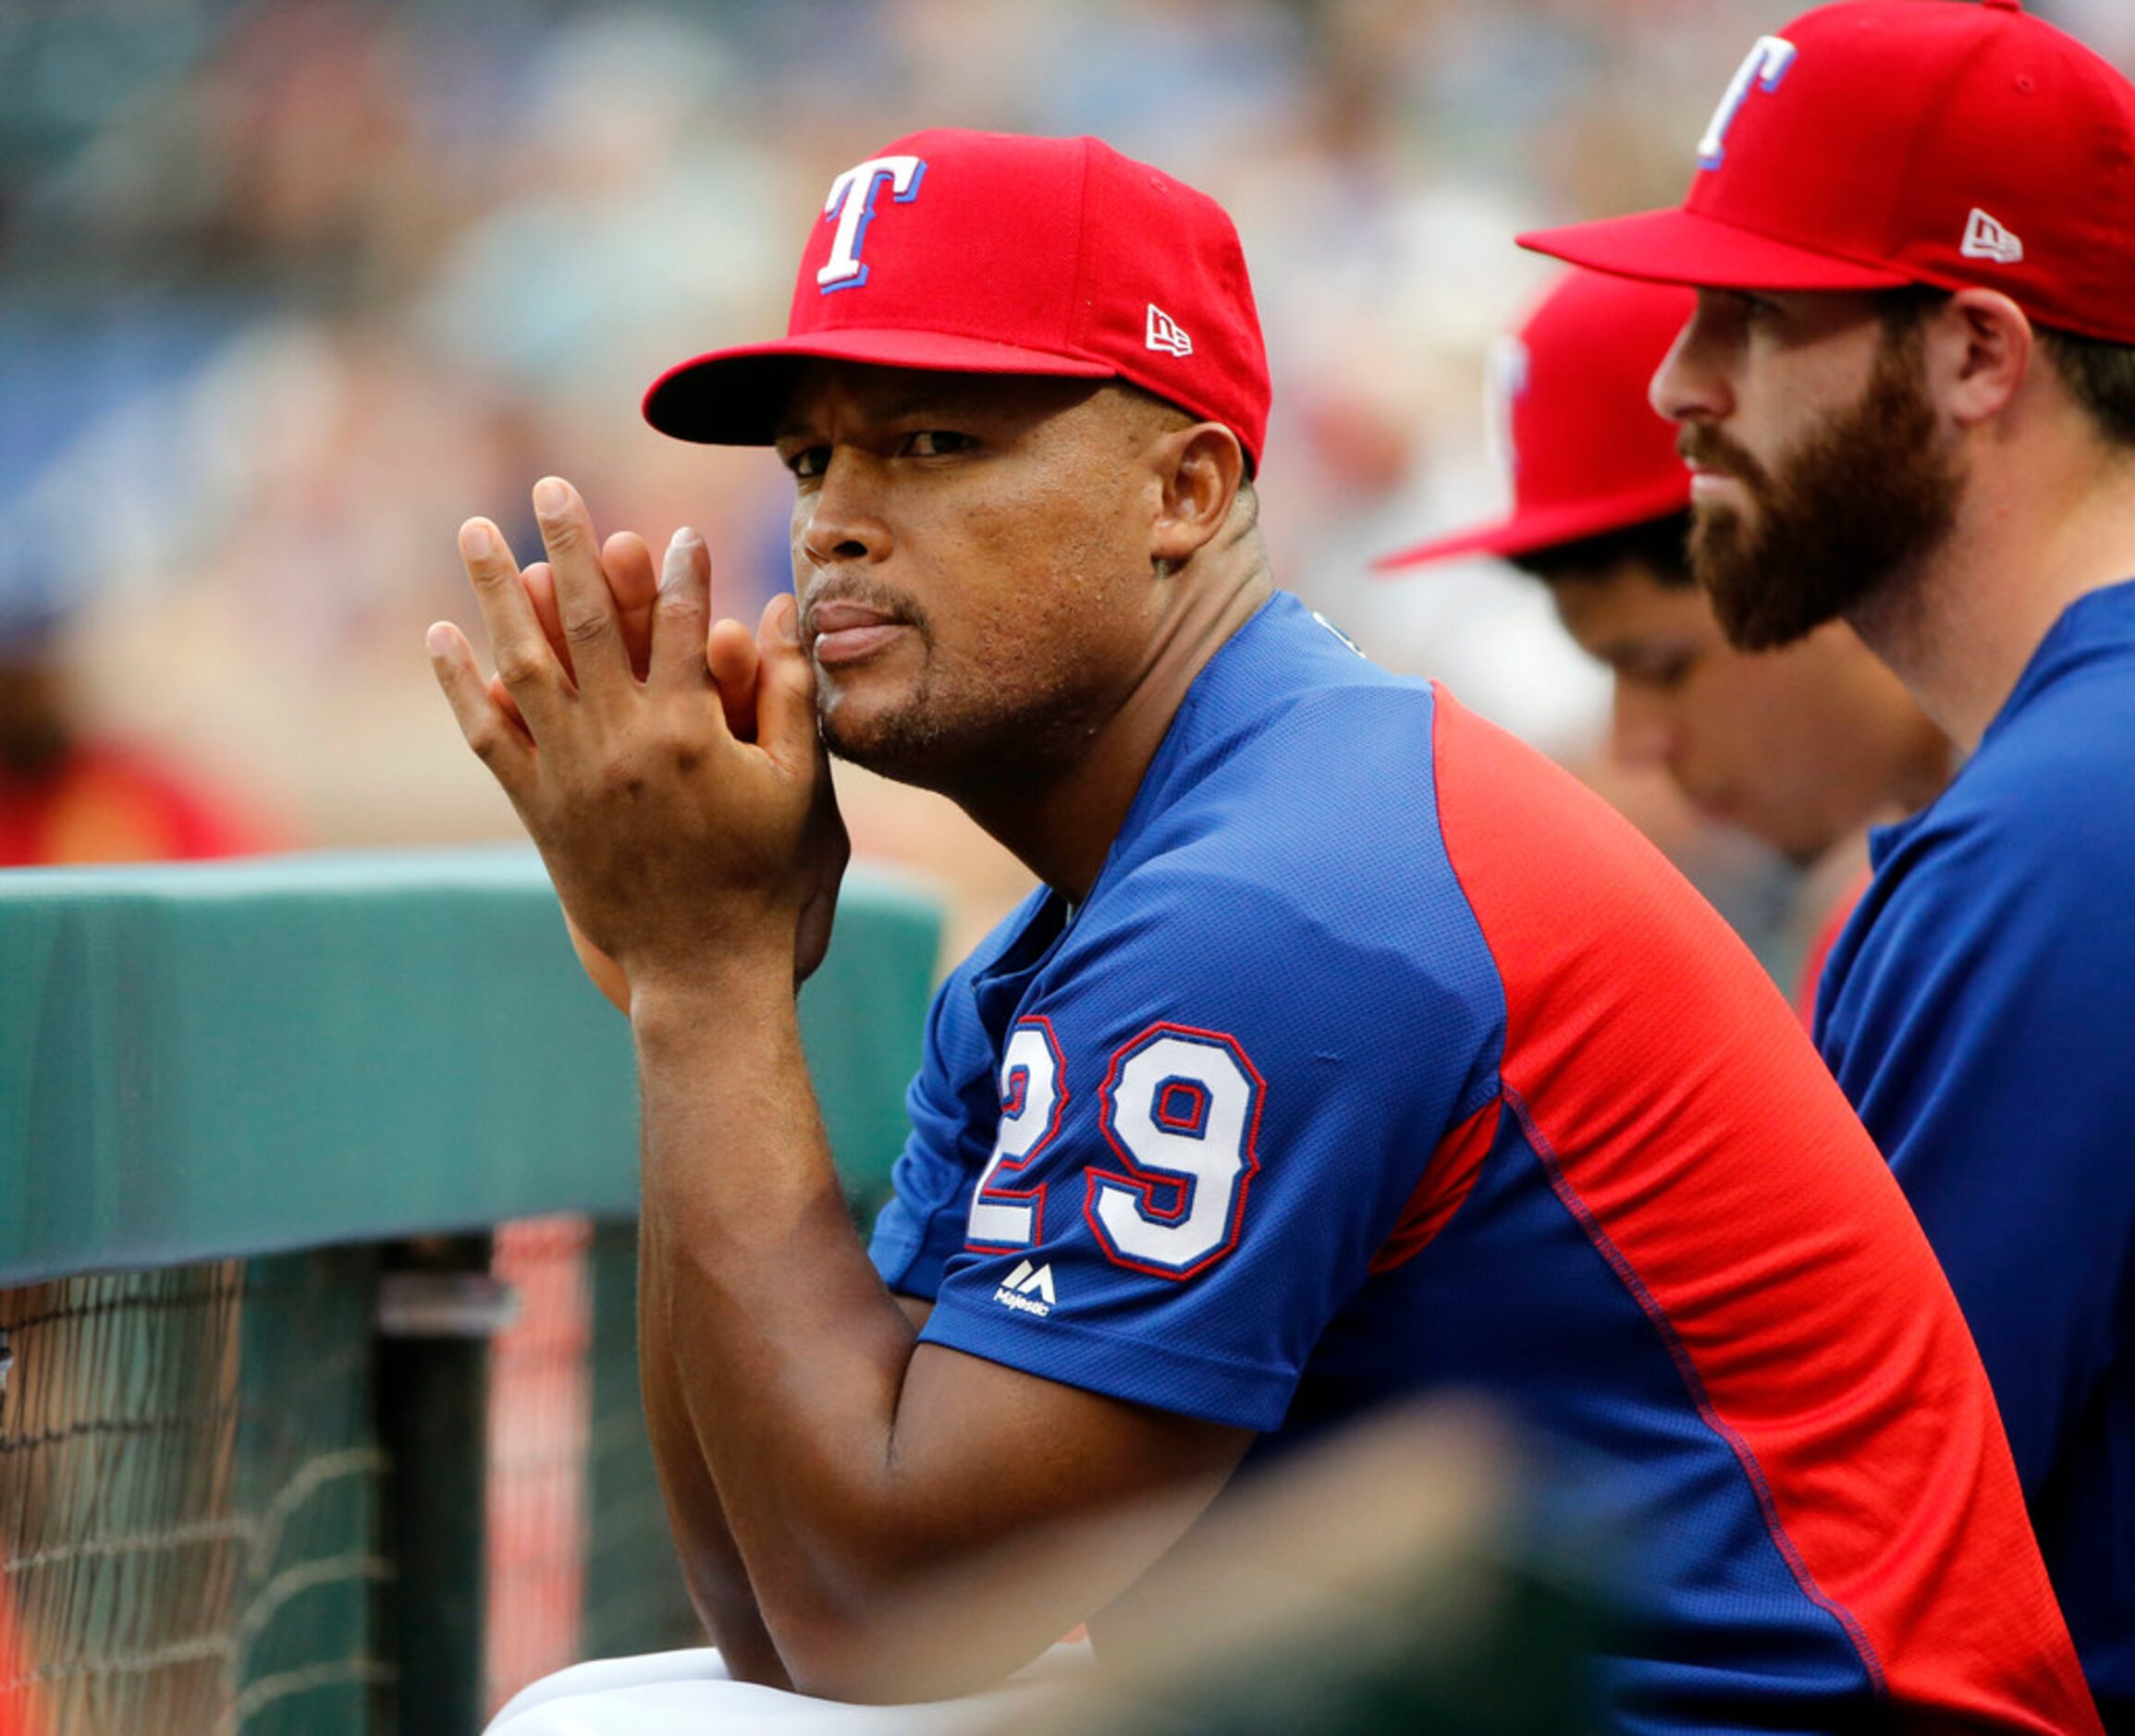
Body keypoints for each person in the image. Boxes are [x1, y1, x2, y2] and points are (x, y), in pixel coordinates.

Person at [430, 128, 2096, 1733]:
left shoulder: (1282, 900)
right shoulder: (1109, 918)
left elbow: (871, 1614)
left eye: (933, 443)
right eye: (811, 458)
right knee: (617, 1707)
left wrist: (709, 980)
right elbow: (770, 1593)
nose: (834, 521)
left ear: (1185, 484)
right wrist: (680, 977)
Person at [1518, 1, 2135, 1722]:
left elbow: (1824, 1573)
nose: (1672, 385)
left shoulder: (2055, 838)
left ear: (1972, 354)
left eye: (1751, 317)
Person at [1376, 267, 1950, 1019]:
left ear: (1836, 551)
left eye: (1664, 667)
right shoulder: (1893, 898)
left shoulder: (1986, 887)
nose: (1634, 743)